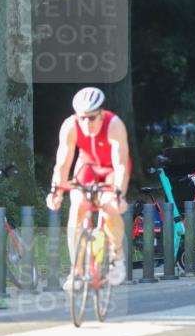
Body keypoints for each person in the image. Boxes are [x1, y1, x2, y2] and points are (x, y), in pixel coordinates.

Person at [46, 87, 131, 287]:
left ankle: (117, 258)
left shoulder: (114, 125)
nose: (86, 123)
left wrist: (118, 193)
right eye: (82, 117)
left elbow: (121, 165)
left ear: (101, 114)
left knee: (109, 206)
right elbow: (63, 163)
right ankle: (76, 271)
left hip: (111, 168)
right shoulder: (70, 126)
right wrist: (55, 190)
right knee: (77, 207)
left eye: (92, 118)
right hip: (87, 166)